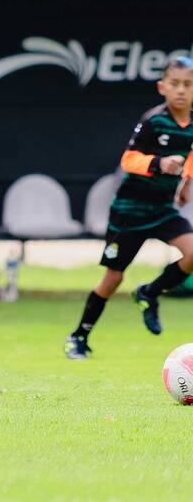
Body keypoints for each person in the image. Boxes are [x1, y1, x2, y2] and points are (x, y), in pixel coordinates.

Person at [65, 56, 193, 359]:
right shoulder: (153, 120)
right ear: (161, 87)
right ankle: (79, 336)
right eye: (174, 84)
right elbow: (128, 160)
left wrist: (186, 181)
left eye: (188, 85)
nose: (181, 91)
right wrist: (159, 163)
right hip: (129, 211)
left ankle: (149, 292)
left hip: (162, 210)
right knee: (114, 277)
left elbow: (189, 156)